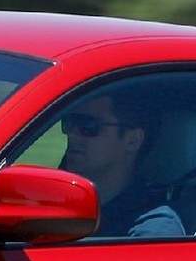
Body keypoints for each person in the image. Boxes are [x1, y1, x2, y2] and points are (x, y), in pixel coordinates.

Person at [57, 87, 185, 239]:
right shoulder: (63, 208)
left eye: (88, 125)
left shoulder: (153, 230)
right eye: (70, 122)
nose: (72, 133)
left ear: (132, 141)